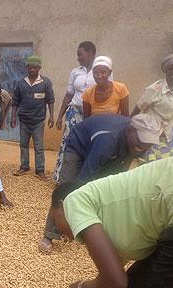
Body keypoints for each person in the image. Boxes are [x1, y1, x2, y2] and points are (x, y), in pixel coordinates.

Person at [50, 156, 173, 288]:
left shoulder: (74, 201)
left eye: (54, 220)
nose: (57, 231)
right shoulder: (115, 227)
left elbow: (116, 281)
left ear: (61, 206)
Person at [39, 114, 162, 253]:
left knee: (110, 188)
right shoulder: (108, 139)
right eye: (142, 139)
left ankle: (91, 230)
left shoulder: (138, 145)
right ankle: (50, 234)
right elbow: (84, 180)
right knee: (67, 190)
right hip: (78, 145)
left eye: (149, 143)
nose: (145, 146)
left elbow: (115, 184)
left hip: (114, 150)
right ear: (130, 131)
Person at [53, 41, 97, 183]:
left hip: (93, 114)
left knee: (89, 144)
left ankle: (83, 178)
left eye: (80, 54)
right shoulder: (75, 71)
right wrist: (59, 116)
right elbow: (69, 94)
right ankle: (63, 178)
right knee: (69, 142)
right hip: (74, 111)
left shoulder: (101, 71)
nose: (78, 58)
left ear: (90, 53)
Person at [132, 53, 173, 163]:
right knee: (147, 165)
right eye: (171, 68)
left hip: (167, 136)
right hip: (150, 135)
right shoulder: (154, 89)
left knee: (163, 166)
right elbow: (137, 109)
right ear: (165, 70)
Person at [11, 55, 55, 180]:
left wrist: (52, 116)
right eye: (30, 67)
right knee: (23, 144)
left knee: (39, 147)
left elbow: (50, 100)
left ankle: (40, 170)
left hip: (38, 121)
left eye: (35, 67)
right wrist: (13, 117)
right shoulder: (21, 82)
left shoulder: (45, 82)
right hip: (24, 120)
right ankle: (24, 167)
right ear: (27, 68)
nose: (32, 70)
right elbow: (15, 101)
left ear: (39, 68)